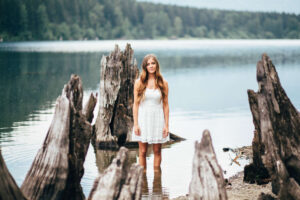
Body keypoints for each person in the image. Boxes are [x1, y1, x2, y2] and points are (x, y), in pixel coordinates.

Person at [132, 54, 170, 172]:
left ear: (156, 65)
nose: (151, 66)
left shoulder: (163, 83)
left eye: (153, 63)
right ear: (145, 67)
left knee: (157, 151)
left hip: (158, 119)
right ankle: (142, 180)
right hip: (143, 119)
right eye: (148, 64)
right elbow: (136, 104)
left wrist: (167, 125)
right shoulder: (139, 83)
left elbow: (165, 105)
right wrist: (136, 124)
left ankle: (157, 182)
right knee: (142, 151)